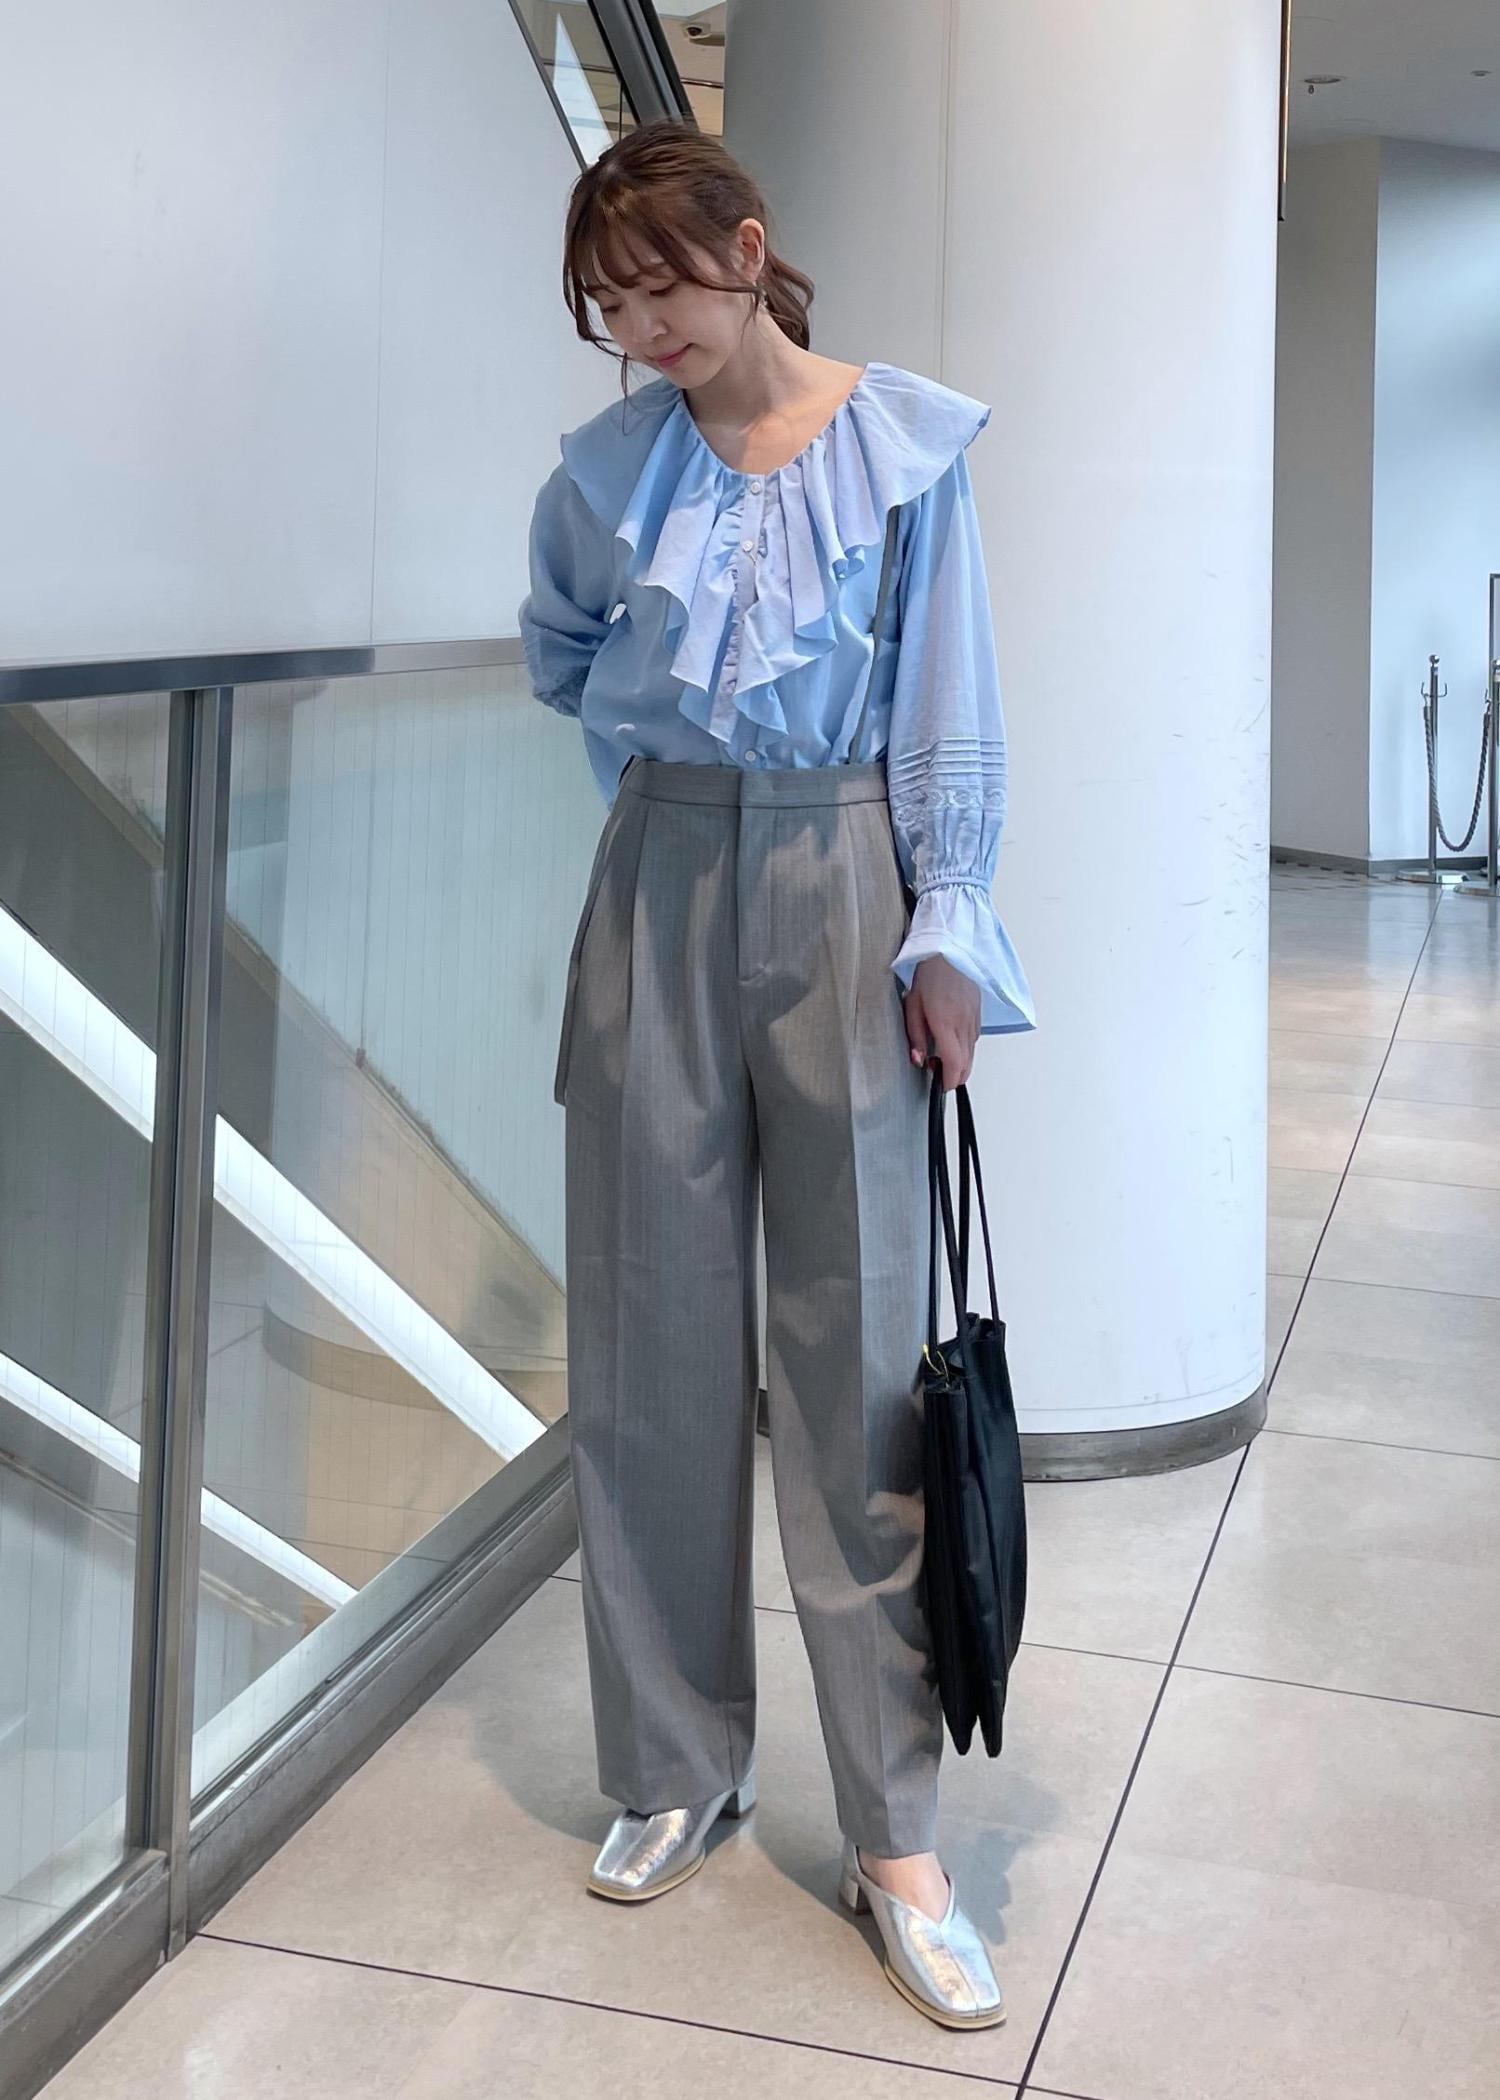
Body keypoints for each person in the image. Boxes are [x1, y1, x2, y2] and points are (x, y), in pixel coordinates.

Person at [518, 119, 1035, 2032]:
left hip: (847, 875)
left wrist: (947, 927)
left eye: (659, 283)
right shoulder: (605, 473)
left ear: (747, 249)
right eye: (609, 304)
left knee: (859, 1361)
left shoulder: (901, 447)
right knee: (645, 1341)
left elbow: (948, 700)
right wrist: (670, 755)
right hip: (659, 874)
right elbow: (561, 651)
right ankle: (675, 1761)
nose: (641, 327)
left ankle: (896, 1833)